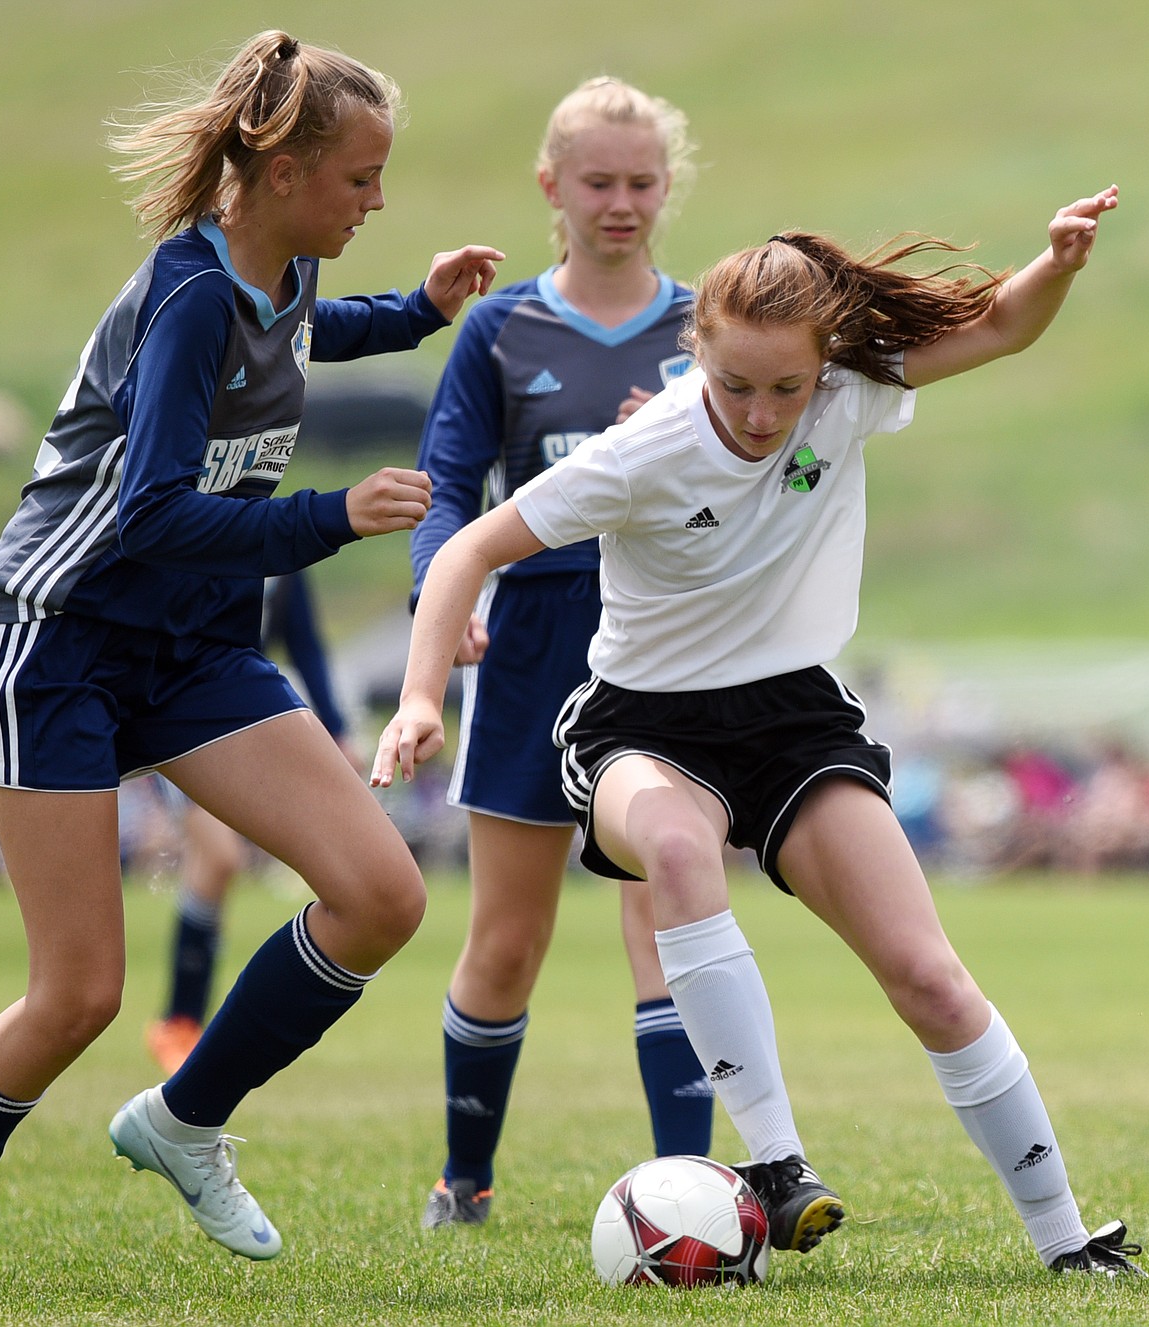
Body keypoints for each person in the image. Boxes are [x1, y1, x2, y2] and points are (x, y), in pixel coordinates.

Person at [376, 186, 1147, 1276]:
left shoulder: (845, 394)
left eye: (786, 386)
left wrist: (1057, 264)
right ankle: (779, 1168)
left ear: (822, 363)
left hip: (796, 716)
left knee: (928, 975)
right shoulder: (638, 451)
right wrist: (419, 695)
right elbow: (467, 552)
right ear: (699, 349)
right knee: (683, 852)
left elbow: (1003, 326)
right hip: (638, 726)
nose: (760, 411)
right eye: (735, 384)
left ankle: (1067, 1238)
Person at [0, 30, 502, 1262]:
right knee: (78, 996)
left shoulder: (278, 276)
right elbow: (152, 513)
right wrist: (332, 516)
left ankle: (186, 1117)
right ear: (280, 173)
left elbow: (308, 331)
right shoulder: (186, 300)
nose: (376, 202)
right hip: (62, 640)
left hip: (194, 645)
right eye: (360, 180)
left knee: (380, 894)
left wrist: (422, 312)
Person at [406, 76, 713, 1230]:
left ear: (666, 186)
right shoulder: (500, 329)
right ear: (553, 186)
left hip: (667, 649)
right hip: (533, 648)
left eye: (642, 181)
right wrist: (449, 598)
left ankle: (694, 1188)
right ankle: (464, 1178)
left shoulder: (706, 329)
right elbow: (446, 498)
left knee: (667, 915)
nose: (622, 202)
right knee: (509, 934)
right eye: (600, 181)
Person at [145, 569, 365, 1077]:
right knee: (222, 858)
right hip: (171, 712)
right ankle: (179, 1021)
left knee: (214, 865)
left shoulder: (282, 547)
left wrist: (337, 729)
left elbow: (305, 643)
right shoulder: (196, 520)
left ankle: (181, 1021)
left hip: (236, 720)